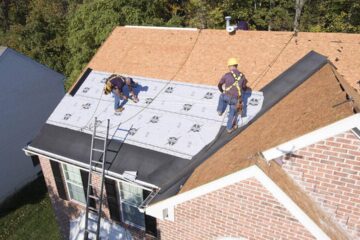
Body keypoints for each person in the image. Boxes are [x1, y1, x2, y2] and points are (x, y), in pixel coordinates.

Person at [217, 58, 248, 133]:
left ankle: (220, 111)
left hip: (226, 96)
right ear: (236, 65)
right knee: (232, 113)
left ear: (229, 66)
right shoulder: (242, 76)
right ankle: (229, 128)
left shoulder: (227, 75)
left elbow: (219, 85)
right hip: (235, 100)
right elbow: (244, 88)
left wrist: (223, 91)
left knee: (221, 96)